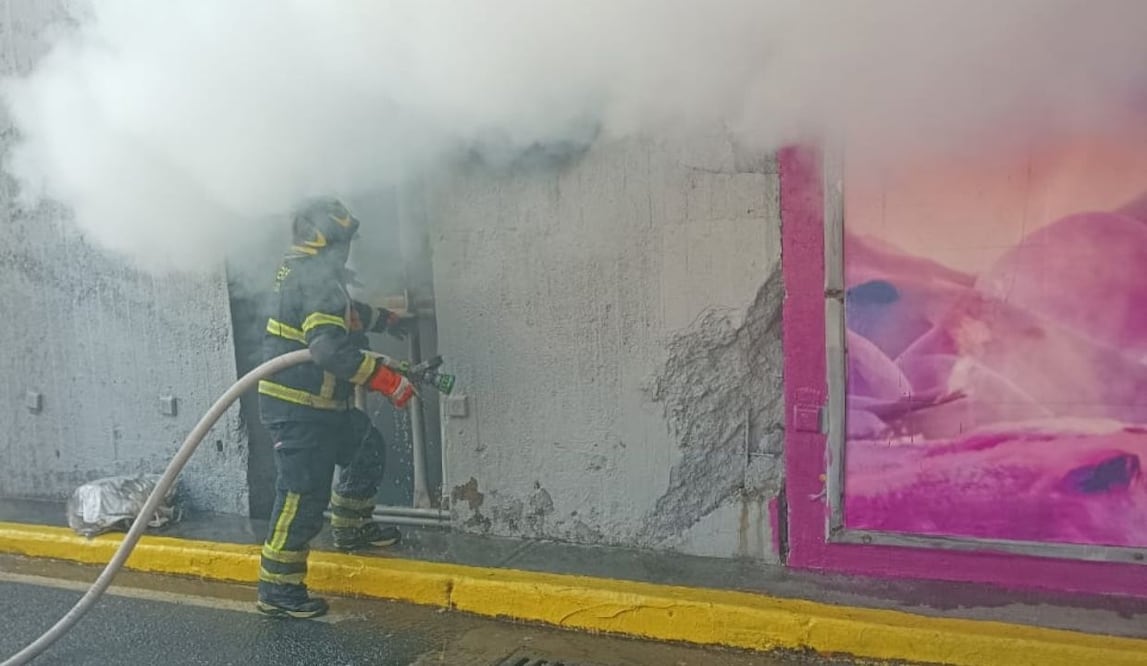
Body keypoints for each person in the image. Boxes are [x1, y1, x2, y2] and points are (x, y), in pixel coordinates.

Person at [255, 196, 415, 619]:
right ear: (332, 241)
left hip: (321, 405)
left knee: (365, 447)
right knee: (302, 495)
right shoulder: (316, 279)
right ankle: (279, 589)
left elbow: (344, 314)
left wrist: (387, 320)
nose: (349, 248)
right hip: (300, 409)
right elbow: (327, 349)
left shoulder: (304, 272)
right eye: (345, 240)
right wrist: (386, 380)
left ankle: (350, 528)